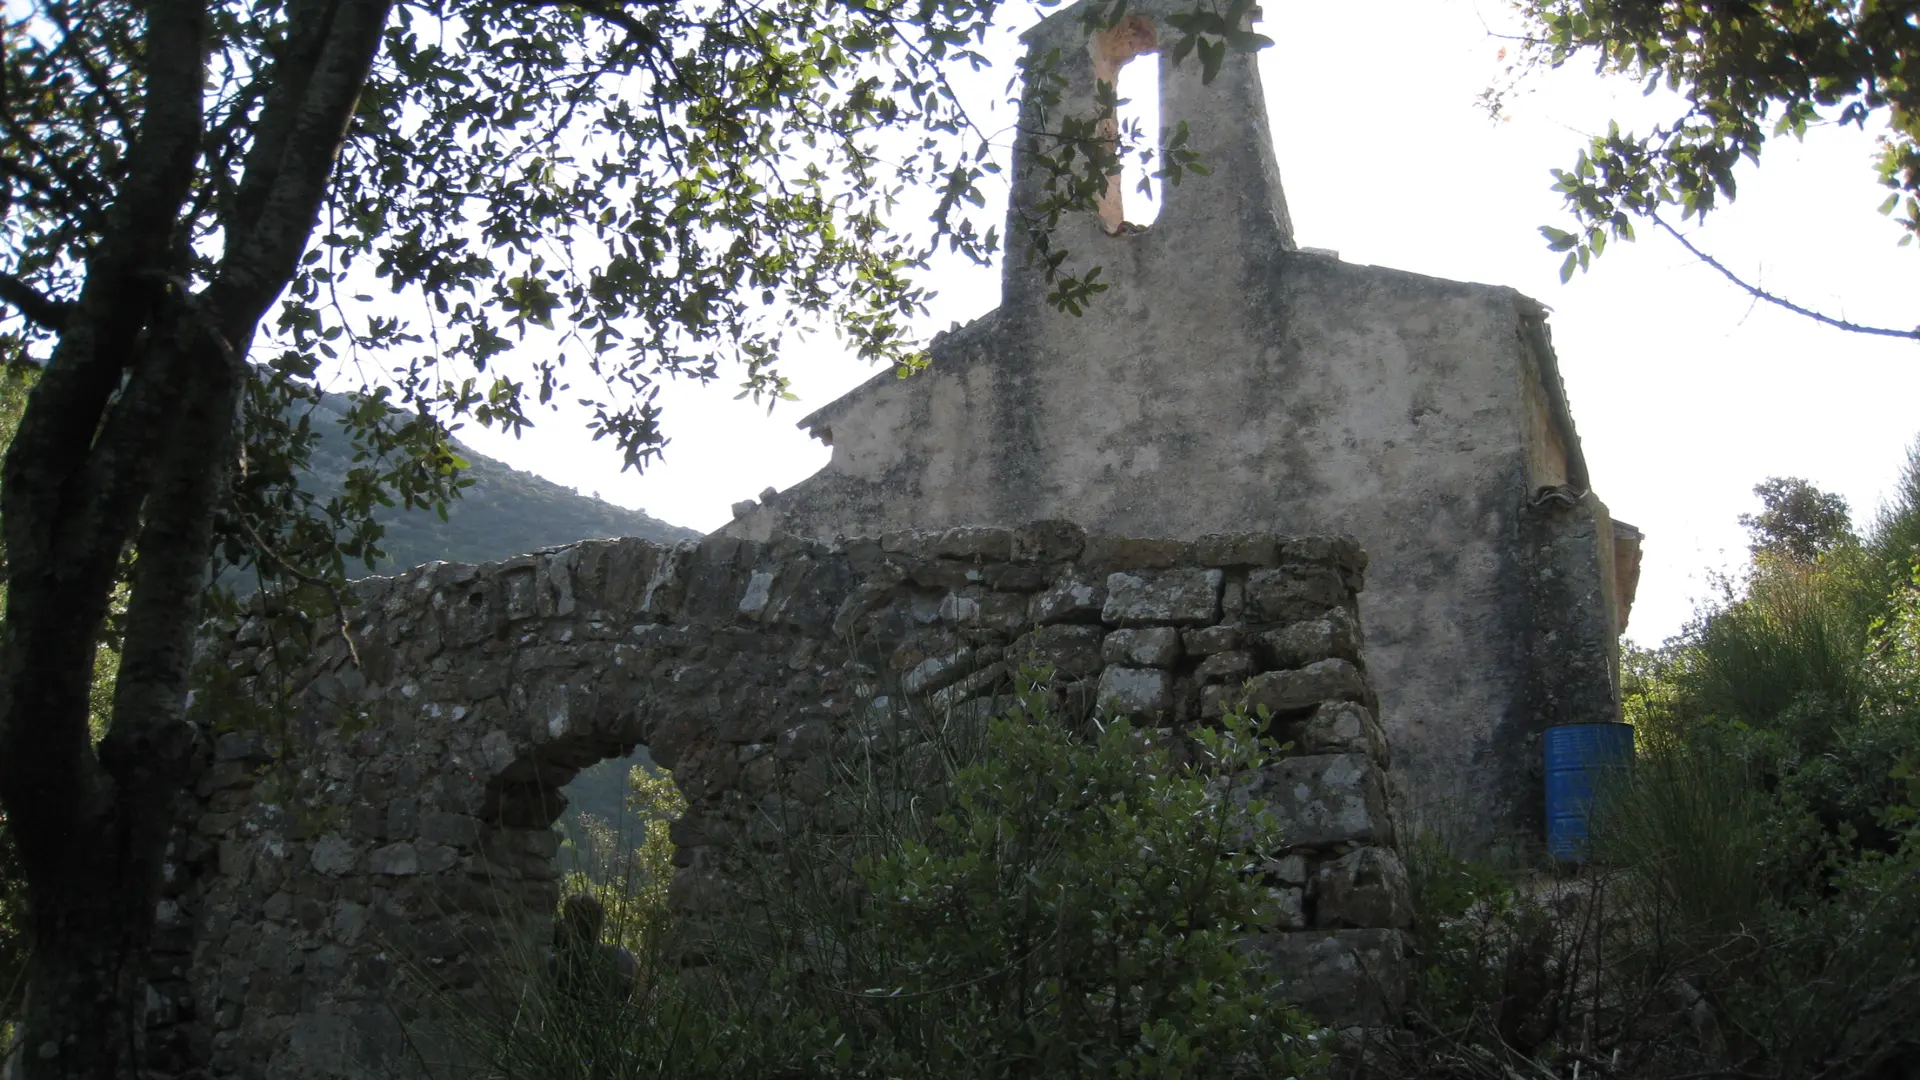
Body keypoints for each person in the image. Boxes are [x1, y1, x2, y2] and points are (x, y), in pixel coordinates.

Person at [548, 893, 638, 1005]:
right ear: (600, 922)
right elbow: (636, 998)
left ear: (569, 925)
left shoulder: (556, 964)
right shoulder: (623, 957)